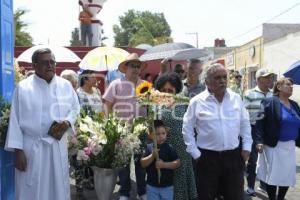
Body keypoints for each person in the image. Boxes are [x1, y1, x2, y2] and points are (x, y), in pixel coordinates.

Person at [5, 48, 80, 200]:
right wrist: (18, 151)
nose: (50, 65)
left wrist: (68, 122)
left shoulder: (65, 85)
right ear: (34, 65)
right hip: (31, 148)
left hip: (56, 146)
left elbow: (75, 108)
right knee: (30, 190)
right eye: (45, 62)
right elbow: (15, 120)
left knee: (58, 189)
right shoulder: (23, 88)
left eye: (52, 62)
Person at [182, 63, 252, 200]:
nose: (222, 81)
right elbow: (187, 128)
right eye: (217, 77)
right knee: (206, 196)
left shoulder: (236, 98)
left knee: (235, 196)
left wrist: (247, 147)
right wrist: (195, 154)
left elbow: (245, 123)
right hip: (207, 158)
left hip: (233, 157)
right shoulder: (197, 101)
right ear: (207, 81)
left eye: (224, 77)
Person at [103, 53, 147, 200]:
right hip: (122, 131)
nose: (135, 69)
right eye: (132, 66)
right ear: (125, 68)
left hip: (141, 130)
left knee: (141, 163)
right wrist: (109, 126)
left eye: (137, 66)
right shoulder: (116, 84)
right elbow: (107, 105)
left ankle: (142, 192)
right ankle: (124, 192)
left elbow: (150, 107)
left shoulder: (145, 85)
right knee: (123, 164)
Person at [154, 72, 198, 200]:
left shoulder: (184, 103)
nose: (167, 92)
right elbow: (152, 127)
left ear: (176, 89)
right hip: (165, 148)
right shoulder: (156, 105)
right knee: (167, 178)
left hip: (183, 148)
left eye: (170, 90)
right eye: (164, 90)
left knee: (182, 177)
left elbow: (193, 124)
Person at [255, 77, 300, 200]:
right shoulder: (269, 102)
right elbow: (259, 122)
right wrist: (259, 141)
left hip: (290, 146)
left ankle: (280, 198)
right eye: (288, 84)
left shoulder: (295, 105)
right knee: (273, 176)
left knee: (286, 175)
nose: (291, 87)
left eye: (292, 85)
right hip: (273, 145)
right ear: (279, 87)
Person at [243, 68, 274, 196]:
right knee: (254, 160)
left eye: (270, 77)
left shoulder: (273, 95)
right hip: (254, 129)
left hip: (270, 130)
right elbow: (244, 114)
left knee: (268, 159)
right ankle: (250, 186)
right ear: (259, 79)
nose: (270, 80)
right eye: (266, 77)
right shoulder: (250, 94)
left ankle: (264, 184)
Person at [141, 120, 181, 200]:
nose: (161, 136)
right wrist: (152, 156)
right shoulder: (149, 148)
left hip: (167, 186)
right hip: (151, 186)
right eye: (157, 134)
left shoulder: (169, 148)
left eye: (163, 133)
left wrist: (164, 165)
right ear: (151, 135)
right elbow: (142, 163)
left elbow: (177, 163)